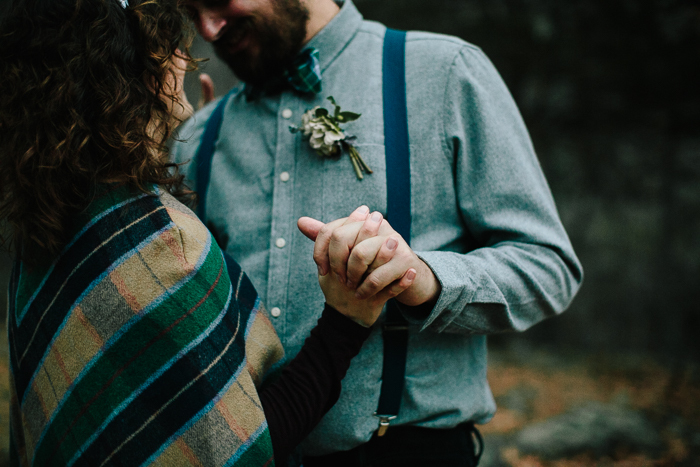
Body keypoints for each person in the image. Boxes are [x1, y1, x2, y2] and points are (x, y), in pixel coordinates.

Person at [0, 0, 418, 466]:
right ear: (131, 72)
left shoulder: (47, 224)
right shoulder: (159, 247)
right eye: (168, 45)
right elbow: (248, 443)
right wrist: (345, 319)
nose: (187, 52)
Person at [171, 0, 584, 465]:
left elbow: (548, 266)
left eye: (217, 0)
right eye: (192, 11)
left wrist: (423, 280)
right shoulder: (200, 134)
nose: (208, 28)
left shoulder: (444, 72)